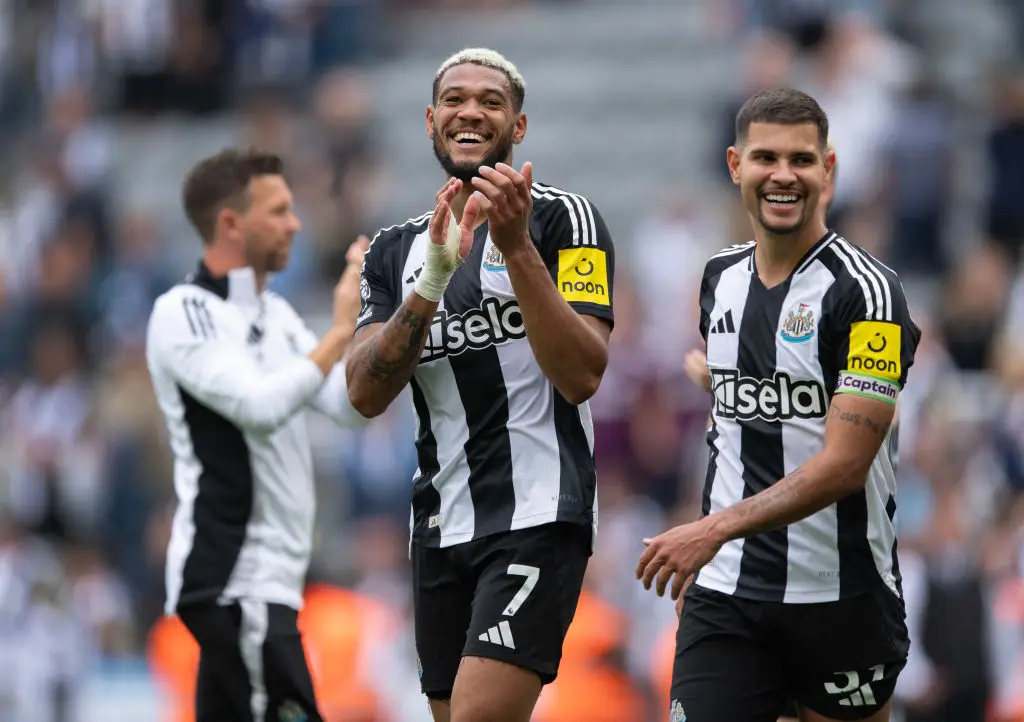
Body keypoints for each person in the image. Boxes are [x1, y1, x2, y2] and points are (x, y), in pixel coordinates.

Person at [345, 48, 615, 722]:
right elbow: (364, 392)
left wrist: (517, 248)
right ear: (430, 121)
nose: (472, 111)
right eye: (456, 100)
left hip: (538, 514)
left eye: (491, 101)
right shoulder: (393, 252)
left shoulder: (564, 222)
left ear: (517, 126)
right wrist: (431, 283)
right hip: (439, 526)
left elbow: (583, 374)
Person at [637, 88, 921, 722]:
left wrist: (709, 532)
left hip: (839, 593)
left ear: (829, 169)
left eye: (802, 159)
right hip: (728, 593)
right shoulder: (717, 278)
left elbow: (846, 464)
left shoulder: (869, 294)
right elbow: (743, 426)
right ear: (737, 166)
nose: (784, 176)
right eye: (766, 158)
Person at [145, 148, 370, 722]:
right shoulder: (183, 312)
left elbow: (347, 408)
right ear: (230, 224)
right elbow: (258, 406)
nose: (295, 223)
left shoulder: (275, 313)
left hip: (267, 584)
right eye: (278, 210)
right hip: (232, 580)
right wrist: (341, 329)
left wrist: (396, 316)